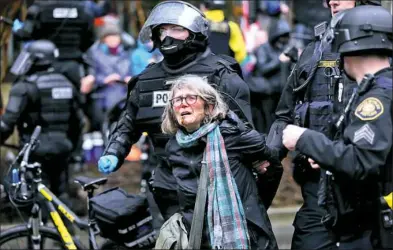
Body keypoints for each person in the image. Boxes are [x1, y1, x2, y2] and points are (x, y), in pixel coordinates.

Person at [97, 0, 253, 221]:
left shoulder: (220, 75)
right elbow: (128, 123)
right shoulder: (146, 80)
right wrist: (113, 151)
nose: (168, 36)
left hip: (214, 182)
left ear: (194, 33)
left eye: (177, 29)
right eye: (162, 30)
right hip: (164, 183)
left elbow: (244, 134)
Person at [267, 0, 381, 249]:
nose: (332, 1)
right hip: (317, 193)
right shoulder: (313, 52)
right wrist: (265, 158)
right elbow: (284, 117)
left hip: (373, 197)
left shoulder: (384, 53)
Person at [156, 74, 278, 249]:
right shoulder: (172, 147)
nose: (183, 103)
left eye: (191, 97)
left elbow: (273, 166)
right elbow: (167, 191)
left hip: (246, 236)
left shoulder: (233, 135)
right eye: (177, 100)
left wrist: (255, 205)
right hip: (198, 240)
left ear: (209, 106)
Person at [0, 40, 84, 197]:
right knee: (61, 194)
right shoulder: (67, 84)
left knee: (38, 195)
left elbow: (7, 123)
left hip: (34, 149)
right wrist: (75, 152)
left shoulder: (24, 86)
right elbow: (78, 122)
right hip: (63, 148)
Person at [13, 0, 96, 90]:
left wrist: (17, 29)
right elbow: (90, 39)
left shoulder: (38, 8)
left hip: (43, 66)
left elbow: (25, 35)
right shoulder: (84, 9)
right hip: (73, 66)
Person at [83, 23, 132, 131]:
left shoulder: (126, 53)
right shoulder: (94, 54)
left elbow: (131, 71)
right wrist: (104, 80)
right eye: (110, 36)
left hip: (123, 95)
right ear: (104, 38)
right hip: (103, 96)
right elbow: (90, 75)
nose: (113, 39)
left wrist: (130, 79)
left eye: (116, 36)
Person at [249, 18, 292, 134]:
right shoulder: (263, 49)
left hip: (281, 92)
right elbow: (263, 68)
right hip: (266, 92)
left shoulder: (283, 47)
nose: (282, 39)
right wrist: (279, 60)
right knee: (267, 121)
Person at [200, 0, 247, 64]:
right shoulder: (232, 26)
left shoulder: (198, 24)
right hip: (224, 70)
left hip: (201, 69)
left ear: (204, 7)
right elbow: (241, 54)